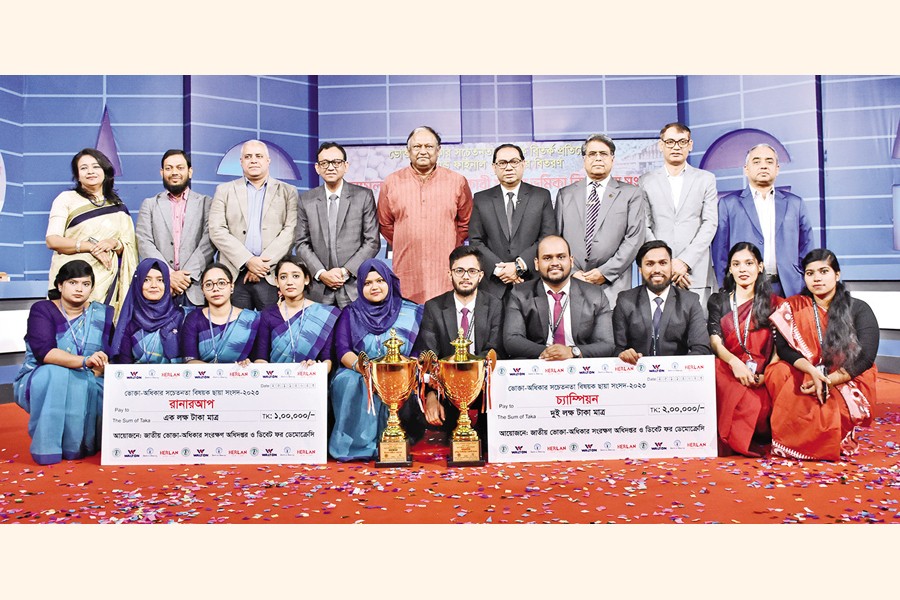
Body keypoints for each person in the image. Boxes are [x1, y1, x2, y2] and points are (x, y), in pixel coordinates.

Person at [765, 249, 879, 461]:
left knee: (830, 406)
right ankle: (797, 441)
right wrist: (811, 371)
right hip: (806, 372)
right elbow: (784, 349)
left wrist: (829, 381)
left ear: (837, 274)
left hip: (845, 378)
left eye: (823, 271)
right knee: (778, 370)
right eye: (810, 273)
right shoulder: (793, 307)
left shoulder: (859, 309)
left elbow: (866, 357)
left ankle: (819, 440)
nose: (816, 278)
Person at [13, 260, 114, 465]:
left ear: (92, 288)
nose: (79, 289)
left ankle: (79, 445)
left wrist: (103, 366)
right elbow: (44, 353)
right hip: (43, 375)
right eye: (73, 282)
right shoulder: (42, 310)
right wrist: (85, 362)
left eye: (85, 284)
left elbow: (111, 354)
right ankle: (48, 448)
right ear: (60, 285)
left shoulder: (102, 314)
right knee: (57, 374)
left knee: (104, 385)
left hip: (91, 377)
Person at [407, 245, 504, 446]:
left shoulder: (495, 305)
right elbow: (429, 356)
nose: (465, 276)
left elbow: (495, 350)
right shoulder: (434, 307)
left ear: (480, 275)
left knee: (486, 443)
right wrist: (432, 395)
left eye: (472, 271)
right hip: (447, 386)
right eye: (459, 271)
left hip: (483, 384)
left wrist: (471, 379)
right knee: (446, 433)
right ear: (449, 274)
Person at [329, 259, 423, 461]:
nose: (374, 287)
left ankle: (396, 438)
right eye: (368, 283)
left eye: (380, 281)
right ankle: (359, 445)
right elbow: (343, 350)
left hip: (401, 371)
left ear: (389, 282)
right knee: (348, 381)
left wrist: (399, 369)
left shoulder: (412, 311)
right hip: (361, 369)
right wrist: (365, 369)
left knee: (401, 382)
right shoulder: (350, 313)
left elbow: (419, 349)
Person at [376, 126, 473, 304]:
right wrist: (407, 240)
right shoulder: (392, 182)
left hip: (444, 271)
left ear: (438, 150)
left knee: (444, 326)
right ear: (408, 151)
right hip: (407, 270)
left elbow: (466, 222)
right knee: (408, 326)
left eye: (428, 147)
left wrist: (446, 242)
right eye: (417, 147)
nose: (423, 151)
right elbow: (385, 224)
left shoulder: (457, 181)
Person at [45, 148, 138, 321]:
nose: (90, 172)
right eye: (83, 168)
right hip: (73, 279)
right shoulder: (66, 199)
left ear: (105, 171)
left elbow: (130, 249)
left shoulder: (118, 207)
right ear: (77, 175)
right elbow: (52, 240)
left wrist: (115, 243)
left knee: (101, 337)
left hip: (107, 285)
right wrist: (88, 247)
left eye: (95, 166)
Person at [711, 143, 814, 297]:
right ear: (746, 169)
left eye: (769, 161)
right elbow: (720, 254)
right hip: (744, 289)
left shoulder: (795, 203)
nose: (763, 166)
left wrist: (802, 282)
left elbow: (807, 248)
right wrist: (727, 288)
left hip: (789, 289)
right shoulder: (728, 204)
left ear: (777, 169)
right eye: (757, 161)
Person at [556, 134, 646, 308]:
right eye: (592, 154)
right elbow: (556, 239)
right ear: (584, 159)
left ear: (612, 159)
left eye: (603, 154)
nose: (598, 158)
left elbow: (634, 239)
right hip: (573, 283)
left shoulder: (631, 194)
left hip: (614, 286)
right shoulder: (565, 194)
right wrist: (572, 272)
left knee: (611, 334)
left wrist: (605, 272)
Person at [708, 242, 781, 457]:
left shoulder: (774, 303)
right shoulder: (718, 301)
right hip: (731, 368)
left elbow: (779, 347)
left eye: (749, 263)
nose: (743, 269)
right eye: (736, 264)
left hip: (763, 374)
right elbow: (715, 342)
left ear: (759, 267)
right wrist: (735, 363)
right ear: (730, 269)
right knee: (715, 367)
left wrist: (768, 373)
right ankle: (735, 437)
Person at [208, 140, 298, 310]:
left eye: (259, 156)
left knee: (271, 331)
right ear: (241, 161)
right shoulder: (224, 190)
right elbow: (217, 230)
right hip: (234, 274)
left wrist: (260, 266)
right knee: (237, 332)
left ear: (268, 160)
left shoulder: (288, 191)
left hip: (270, 275)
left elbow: (290, 231)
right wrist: (248, 261)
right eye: (248, 156)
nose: (253, 160)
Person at [640, 122, 718, 308]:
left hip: (695, 271)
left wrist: (684, 262)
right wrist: (665, 263)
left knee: (698, 332)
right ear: (661, 145)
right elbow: (644, 225)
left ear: (690, 145)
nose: (676, 147)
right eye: (670, 142)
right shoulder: (646, 181)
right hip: (658, 271)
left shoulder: (706, 179)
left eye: (682, 142)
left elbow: (710, 223)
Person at [294, 142, 380, 308]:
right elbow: (301, 243)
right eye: (324, 163)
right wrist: (321, 273)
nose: (330, 167)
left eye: (336, 162)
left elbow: (372, 241)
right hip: (319, 289)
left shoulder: (363, 196)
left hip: (354, 287)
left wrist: (345, 272)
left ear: (345, 166)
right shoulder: (306, 200)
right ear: (317, 168)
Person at [468, 143, 557, 300]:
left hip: (531, 283)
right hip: (494, 286)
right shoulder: (482, 199)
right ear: (494, 167)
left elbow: (547, 238)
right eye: (502, 163)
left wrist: (519, 266)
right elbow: (475, 241)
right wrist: (501, 270)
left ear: (523, 164)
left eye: (514, 162)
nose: (508, 168)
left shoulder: (541, 196)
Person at [503, 235, 613, 360]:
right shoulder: (520, 293)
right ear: (537, 263)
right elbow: (512, 340)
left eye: (561, 257)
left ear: (571, 261)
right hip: (537, 368)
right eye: (547, 258)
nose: (555, 263)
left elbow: (607, 344)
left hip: (580, 369)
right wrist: (552, 353)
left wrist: (572, 352)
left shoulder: (595, 295)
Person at [135, 149, 215, 307]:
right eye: (169, 168)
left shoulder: (206, 202)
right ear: (162, 172)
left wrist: (185, 277)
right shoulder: (149, 204)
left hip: (195, 287)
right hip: (161, 288)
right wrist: (169, 275)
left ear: (190, 171)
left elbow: (208, 242)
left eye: (180, 167)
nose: (174, 172)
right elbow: (144, 242)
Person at [614, 240, 710, 364]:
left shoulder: (690, 301)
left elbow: (701, 348)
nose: (657, 269)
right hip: (637, 373)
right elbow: (617, 348)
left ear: (671, 267)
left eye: (663, 263)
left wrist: (680, 368)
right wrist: (623, 354)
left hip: (677, 377)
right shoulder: (625, 300)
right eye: (649, 264)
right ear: (640, 270)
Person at [251, 257, 340, 369]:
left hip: (311, 379)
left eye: (296, 276)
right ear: (277, 282)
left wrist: (316, 369)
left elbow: (327, 359)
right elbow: (261, 358)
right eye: (283, 277)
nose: (289, 282)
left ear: (306, 279)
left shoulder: (323, 314)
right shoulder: (267, 314)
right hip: (275, 382)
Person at [180, 262, 260, 364]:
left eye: (221, 283)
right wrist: (219, 374)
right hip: (202, 378)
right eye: (209, 284)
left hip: (240, 377)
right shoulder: (194, 318)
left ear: (231, 287)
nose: (215, 289)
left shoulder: (251, 319)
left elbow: (258, 361)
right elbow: (190, 361)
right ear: (202, 290)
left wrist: (247, 364)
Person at [110, 258, 187, 364]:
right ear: (138, 284)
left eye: (160, 280)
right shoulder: (130, 323)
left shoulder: (181, 318)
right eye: (146, 280)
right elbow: (124, 367)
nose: (154, 285)